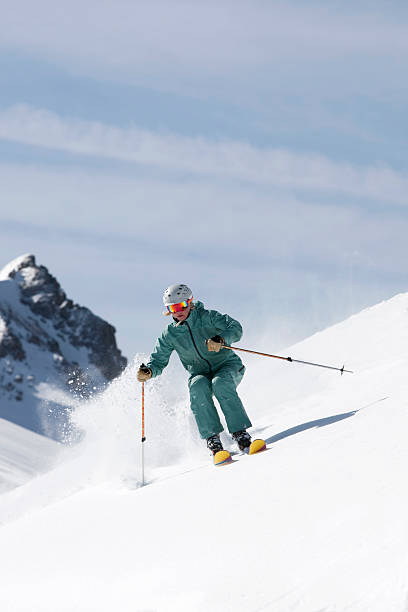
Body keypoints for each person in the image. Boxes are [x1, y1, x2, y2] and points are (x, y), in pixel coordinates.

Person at [137, 284, 253, 456]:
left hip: (227, 365)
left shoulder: (208, 317)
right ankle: (212, 439)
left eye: (181, 305)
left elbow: (235, 328)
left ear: (190, 302)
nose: (178, 311)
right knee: (197, 388)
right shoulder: (169, 334)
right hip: (199, 373)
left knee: (220, 384)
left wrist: (221, 339)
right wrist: (150, 371)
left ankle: (240, 433)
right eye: (173, 308)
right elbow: (158, 360)